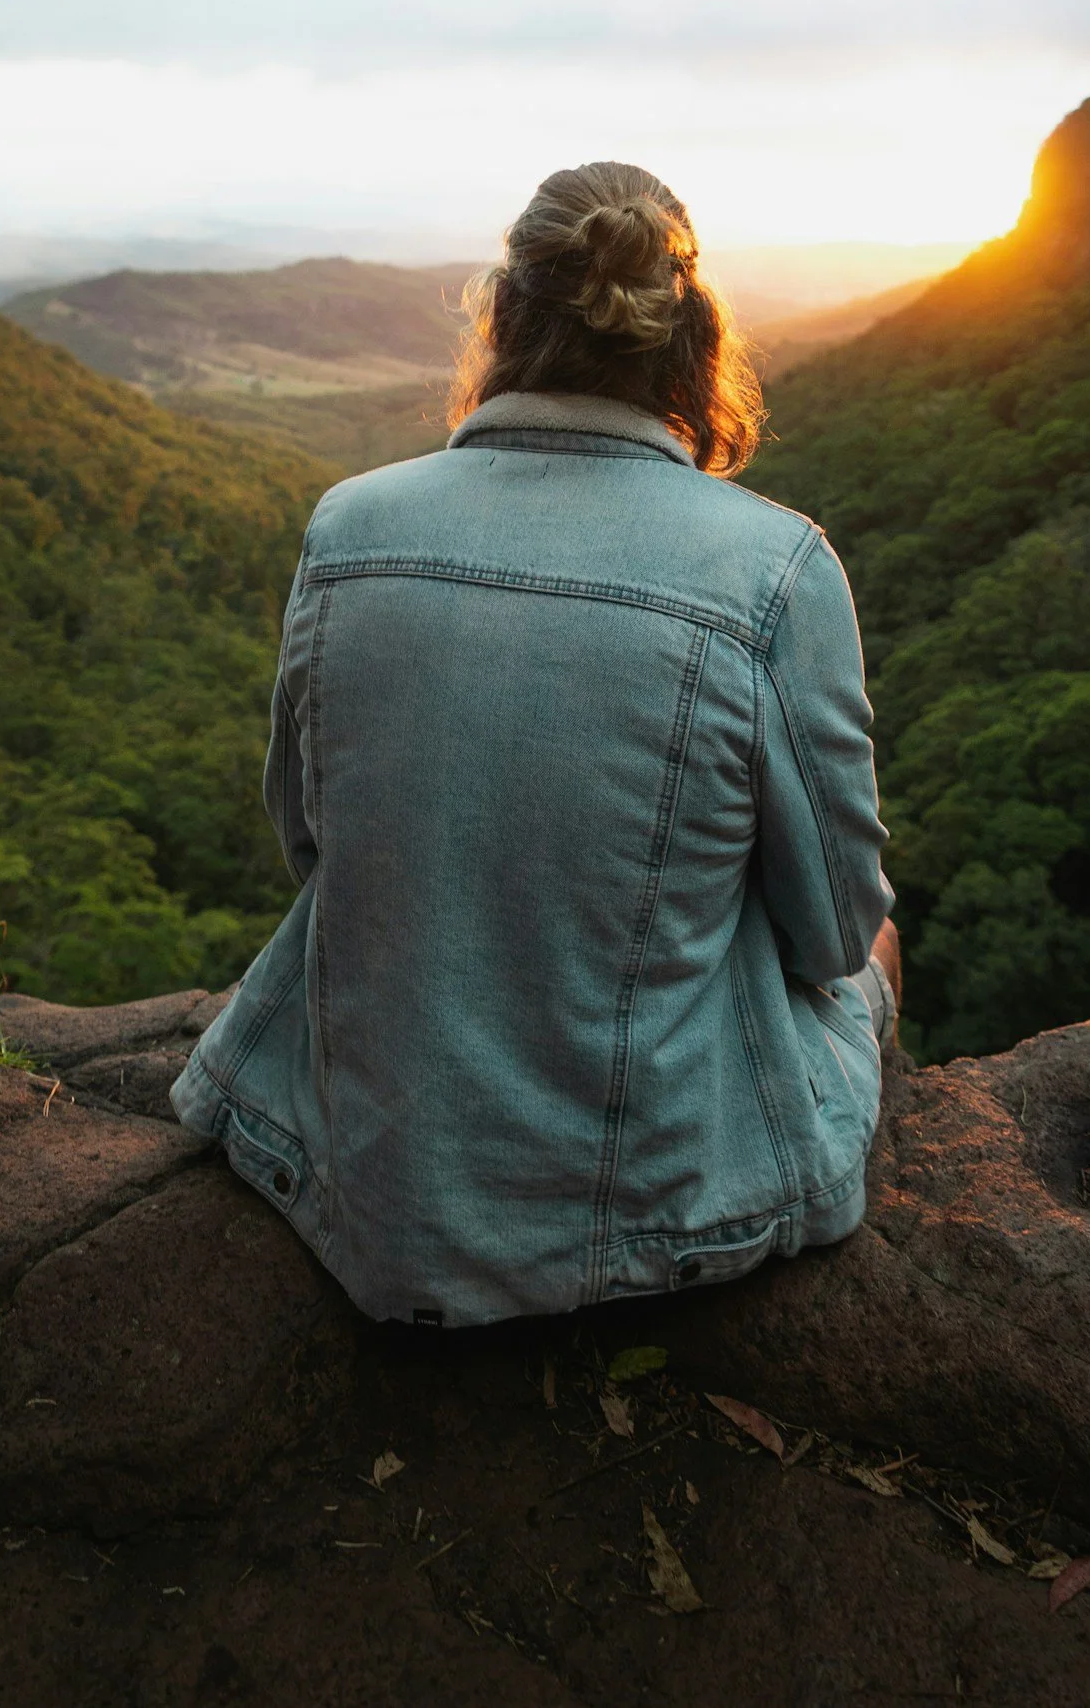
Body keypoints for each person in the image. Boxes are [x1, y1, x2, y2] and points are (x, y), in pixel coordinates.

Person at [173, 160, 899, 1327]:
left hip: (368, 1194)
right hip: (657, 1212)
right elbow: (828, 933)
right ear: (688, 338)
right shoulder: (777, 570)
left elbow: (314, 847)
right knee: (877, 936)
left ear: (502, 318)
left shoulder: (349, 527)